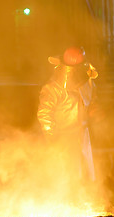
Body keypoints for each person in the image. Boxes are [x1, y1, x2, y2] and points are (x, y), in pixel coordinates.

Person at [37, 46, 99, 183]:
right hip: (63, 136)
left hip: (83, 133)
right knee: (65, 173)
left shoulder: (87, 83)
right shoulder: (53, 88)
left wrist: (94, 110)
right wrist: (53, 138)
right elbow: (44, 114)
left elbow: (92, 100)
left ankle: (85, 195)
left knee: (84, 170)